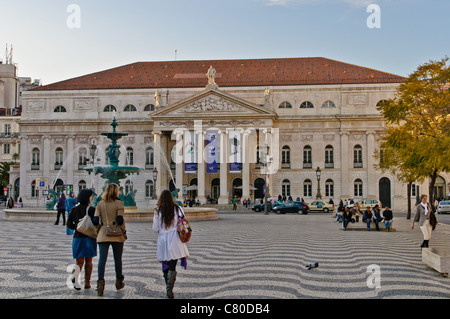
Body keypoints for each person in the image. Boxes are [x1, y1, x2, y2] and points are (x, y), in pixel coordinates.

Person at [152, 190, 189, 299]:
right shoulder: (178, 209)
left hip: (163, 239)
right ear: (171, 198)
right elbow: (183, 221)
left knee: (165, 264)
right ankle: (170, 289)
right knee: (172, 264)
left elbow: (155, 229)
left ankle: (167, 287)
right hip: (175, 239)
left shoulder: (158, 211)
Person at [93, 183, 127, 297]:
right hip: (116, 234)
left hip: (103, 233)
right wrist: (123, 231)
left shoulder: (100, 204)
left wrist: (100, 229)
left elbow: (95, 221)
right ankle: (119, 282)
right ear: (116, 192)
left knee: (102, 260)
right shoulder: (119, 203)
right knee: (118, 260)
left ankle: (100, 285)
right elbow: (120, 219)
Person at [66, 189, 96, 290]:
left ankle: (75, 280)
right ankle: (87, 283)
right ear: (88, 198)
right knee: (89, 261)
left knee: (79, 262)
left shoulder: (74, 209)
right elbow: (96, 223)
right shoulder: (91, 209)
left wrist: (77, 228)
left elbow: (68, 223)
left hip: (78, 238)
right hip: (89, 238)